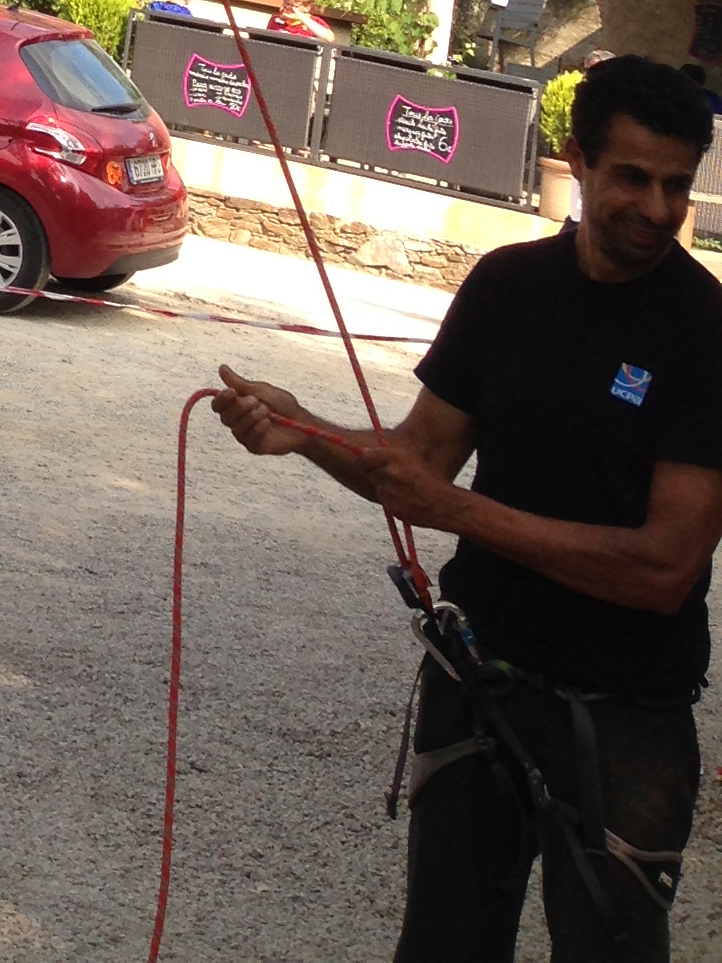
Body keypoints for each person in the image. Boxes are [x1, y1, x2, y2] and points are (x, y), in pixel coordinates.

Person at [214, 52, 722, 960]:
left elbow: (664, 568)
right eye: (634, 178)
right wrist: (308, 433)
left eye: (677, 186)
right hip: (481, 684)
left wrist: (462, 514)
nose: (655, 208)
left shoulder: (705, 329)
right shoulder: (507, 286)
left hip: (627, 718)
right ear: (580, 160)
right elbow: (416, 465)